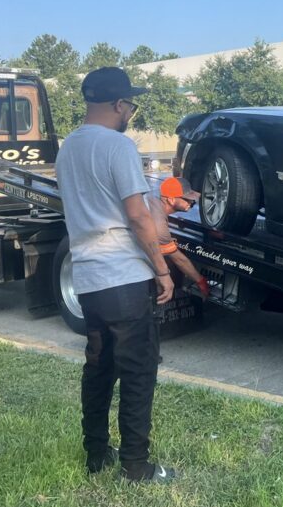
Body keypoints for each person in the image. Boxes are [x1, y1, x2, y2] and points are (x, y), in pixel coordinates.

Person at [55, 66, 176, 484]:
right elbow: (139, 217)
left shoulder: (68, 147)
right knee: (139, 370)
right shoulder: (117, 145)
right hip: (123, 275)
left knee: (99, 366)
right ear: (118, 104)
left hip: (88, 277)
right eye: (131, 104)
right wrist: (162, 269)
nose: (132, 112)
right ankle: (136, 466)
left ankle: (96, 454)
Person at [146, 176, 211, 300]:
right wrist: (200, 280)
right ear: (170, 199)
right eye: (187, 199)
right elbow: (179, 259)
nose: (192, 203)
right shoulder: (158, 223)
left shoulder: (153, 204)